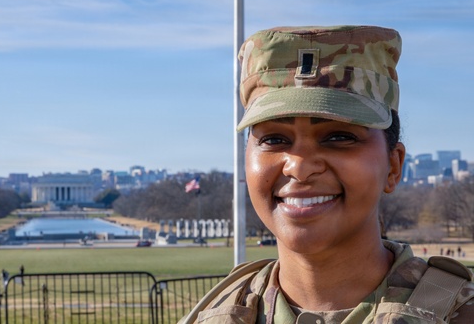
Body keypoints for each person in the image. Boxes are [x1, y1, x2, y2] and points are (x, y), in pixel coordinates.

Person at [180, 26, 474, 323]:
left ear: (393, 166)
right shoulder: (214, 315)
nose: (300, 166)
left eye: (338, 137)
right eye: (274, 139)